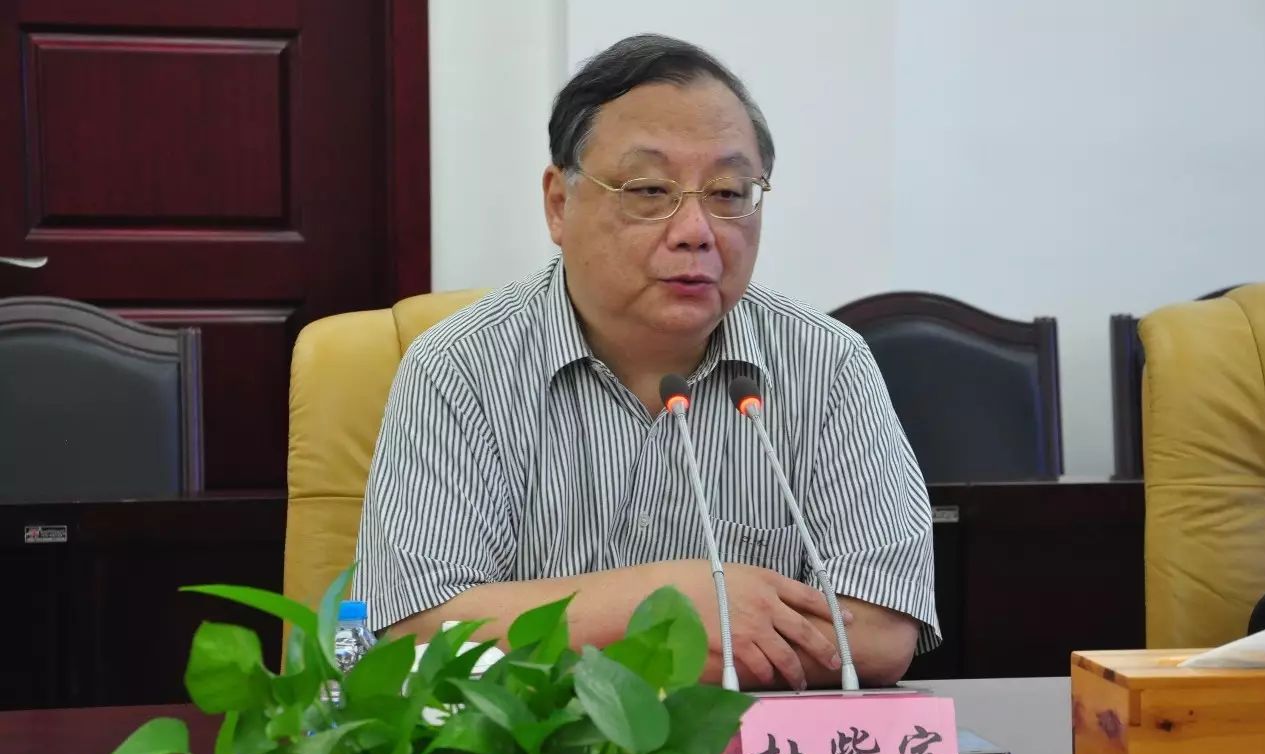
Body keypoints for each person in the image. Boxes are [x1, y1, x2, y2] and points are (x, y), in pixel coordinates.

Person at [353, 34, 938, 689]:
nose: (696, 231)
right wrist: (668, 601)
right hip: (535, 747)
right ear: (559, 204)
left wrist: (570, 644)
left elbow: (879, 631)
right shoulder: (460, 366)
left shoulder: (826, 365)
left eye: (728, 193)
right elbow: (416, 630)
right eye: (650, 189)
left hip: (754, 752)